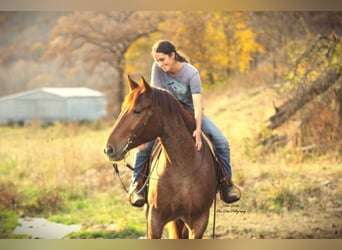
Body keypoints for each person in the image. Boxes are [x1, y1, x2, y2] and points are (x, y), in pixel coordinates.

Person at [128, 40, 240, 206]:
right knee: (145, 147)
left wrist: (198, 130)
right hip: (166, 116)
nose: (160, 64)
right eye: (157, 60)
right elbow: (155, 99)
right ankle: (137, 186)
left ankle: (227, 185)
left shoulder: (191, 74)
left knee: (222, 143)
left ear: (172, 55)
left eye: (163, 60)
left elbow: (198, 106)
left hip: (190, 114)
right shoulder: (157, 69)